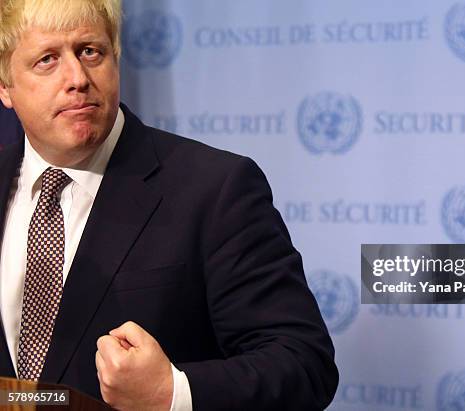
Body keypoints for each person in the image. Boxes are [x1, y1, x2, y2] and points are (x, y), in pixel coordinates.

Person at [0, 1, 338, 410]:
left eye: (90, 51)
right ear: (5, 85)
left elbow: (303, 364)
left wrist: (172, 393)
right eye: (47, 60)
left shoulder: (215, 188)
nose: (77, 78)